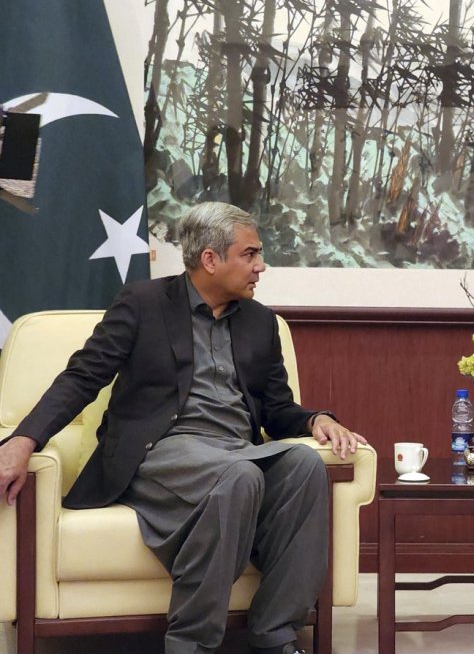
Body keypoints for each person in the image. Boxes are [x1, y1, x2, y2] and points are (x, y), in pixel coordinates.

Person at [0, 201, 366, 654]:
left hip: (234, 451)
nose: (261, 266)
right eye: (250, 254)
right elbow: (83, 376)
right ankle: (191, 643)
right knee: (240, 475)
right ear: (210, 259)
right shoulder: (143, 303)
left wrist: (315, 419)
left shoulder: (261, 322)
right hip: (160, 451)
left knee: (306, 466)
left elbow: (276, 408)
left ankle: (275, 634)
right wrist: (24, 438)